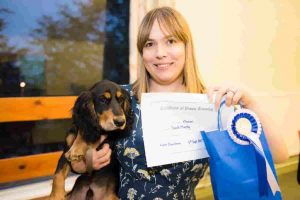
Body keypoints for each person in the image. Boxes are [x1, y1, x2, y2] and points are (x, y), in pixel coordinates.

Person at [74, 6, 289, 199]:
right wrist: (89, 161)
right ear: (142, 52)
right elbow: (76, 160)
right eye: (150, 44)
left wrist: (251, 102)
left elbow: (279, 155)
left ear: (187, 47)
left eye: (171, 41)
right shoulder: (122, 99)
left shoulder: (210, 103)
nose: (160, 53)